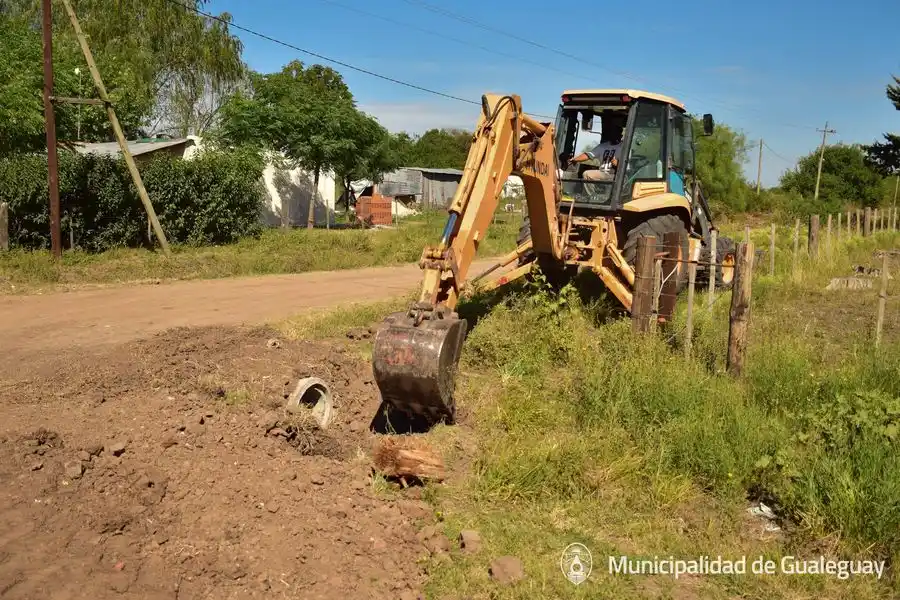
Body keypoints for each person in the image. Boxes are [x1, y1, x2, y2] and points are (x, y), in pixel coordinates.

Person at [569, 111, 626, 182]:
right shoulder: (603, 146)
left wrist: (618, 164)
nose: (614, 134)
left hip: (614, 175)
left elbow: (628, 167)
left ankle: (591, 193)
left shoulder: (624, 147)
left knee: (587, 174)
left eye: (616, 132)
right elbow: (588, 155)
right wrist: (574, 159)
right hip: (602, 173)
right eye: (612, 132)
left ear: (620, 134)